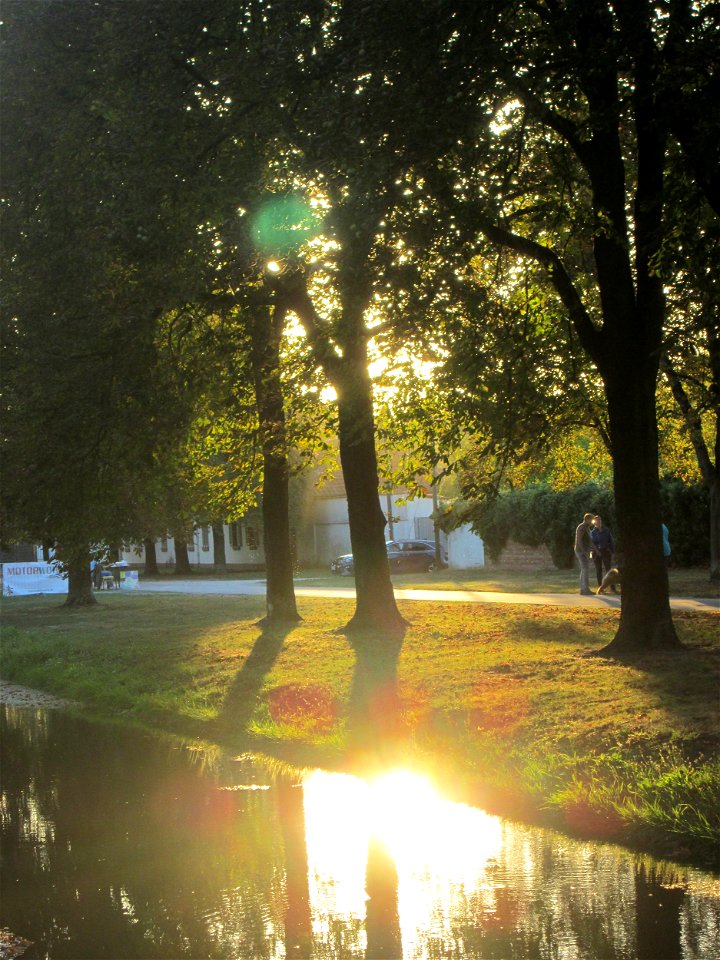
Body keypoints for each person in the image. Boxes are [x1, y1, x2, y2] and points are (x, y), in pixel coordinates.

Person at [590, 515, 615, 589]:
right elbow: (591, 543)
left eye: (600, 520)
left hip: (606, 551)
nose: (598, 521)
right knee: (598, 570)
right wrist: (592, 552)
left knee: (609, 570)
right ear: (594, 522)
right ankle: (600, 588)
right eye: (597, 520)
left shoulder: (607, 530)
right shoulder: (592, 532)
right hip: (596, 552)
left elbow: (611, 541)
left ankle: (612, 587)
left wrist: (613, 552)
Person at [574, 512, 595, 596]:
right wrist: (583, 551)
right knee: (585, 569)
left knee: (584, 569)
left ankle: (583, 589)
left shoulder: (587, 528)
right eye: (591, 520)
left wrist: (592, 550)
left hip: (585, 551)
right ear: (586, 519)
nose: (592, 522)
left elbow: (589, 541)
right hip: (581, 551)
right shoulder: (582, 527)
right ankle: (585, 589)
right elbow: (579, 540)